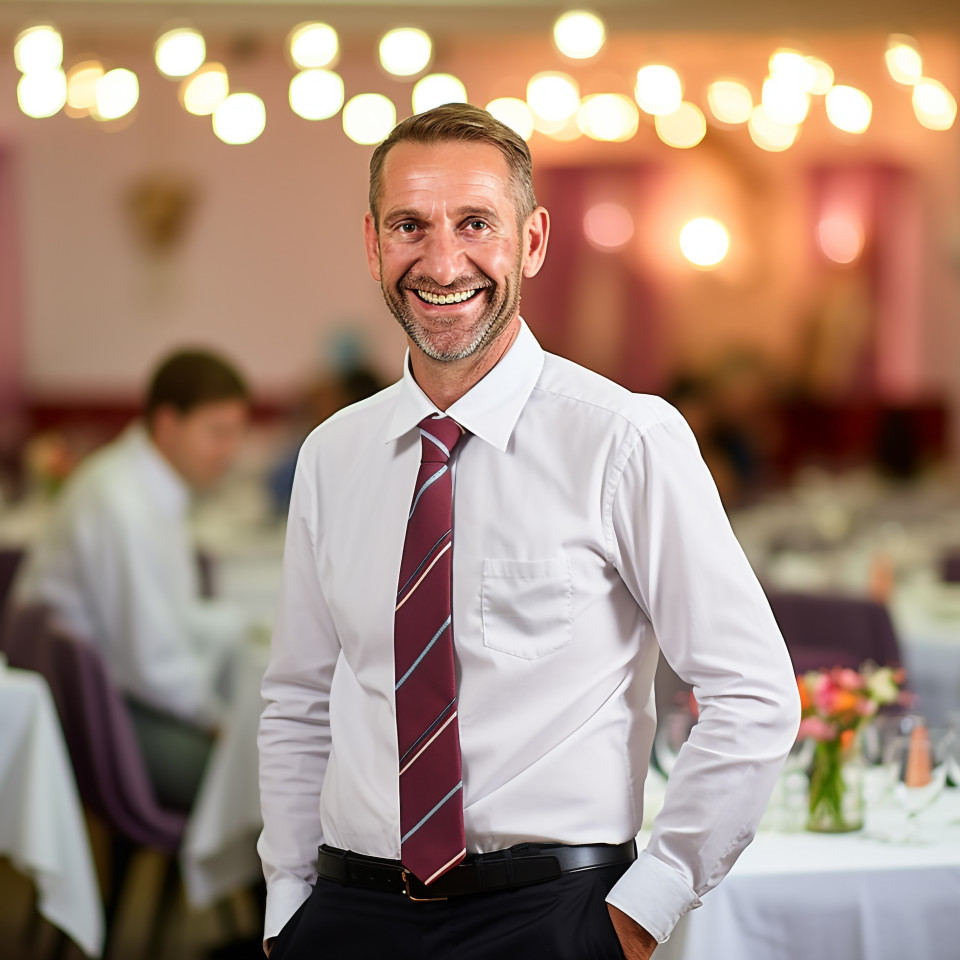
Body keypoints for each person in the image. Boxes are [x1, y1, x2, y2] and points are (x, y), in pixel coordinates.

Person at [258, 104, 800, 960]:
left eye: (476, 223)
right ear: (373, 245)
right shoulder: (333, 455)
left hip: (552, 919)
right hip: (347, 913)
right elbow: (297, 698)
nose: (443, 260)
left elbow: (754, 692)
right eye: (410, 225)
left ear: (534, 240)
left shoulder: (626, 440)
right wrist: (288, 902)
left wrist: (644, 910)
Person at [14, 348, 250, 810]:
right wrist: (218, 722)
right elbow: (151, 663)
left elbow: (166, 621)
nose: (230, 452)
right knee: (271, 781)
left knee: (266, 751)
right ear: (167, 425)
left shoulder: (144, 485)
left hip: (112, 696)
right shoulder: (122, 503)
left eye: (236, 433)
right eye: (217, 433)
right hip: (100, 724)